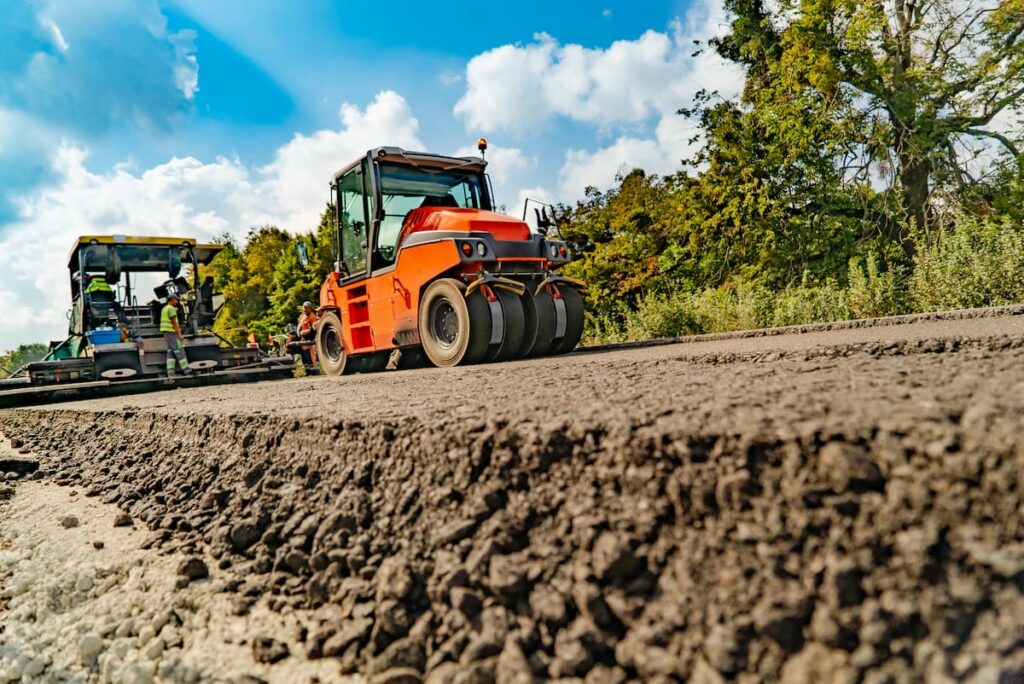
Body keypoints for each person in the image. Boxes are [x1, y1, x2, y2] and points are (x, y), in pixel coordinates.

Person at [160, 294, 191, 377]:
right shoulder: (171, 309)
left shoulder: (165, 308)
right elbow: (174, 323)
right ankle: (186, 370)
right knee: (179, 349)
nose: (177, 302)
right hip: (171, 332)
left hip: (166, 332)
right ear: (172, 299)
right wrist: (180, 334)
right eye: (176, 300)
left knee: (171, 352)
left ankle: (170, 372)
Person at [296, 301, 319, 370]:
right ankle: (307, 370)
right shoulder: (302, 315)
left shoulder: (312, 317)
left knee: (310, 356)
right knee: (304, 355)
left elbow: (314, 328)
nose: (305, 309)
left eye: (307, 308)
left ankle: (313, 370)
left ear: (310, 308)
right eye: (304, 307)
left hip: (309, 338)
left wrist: (304, 332)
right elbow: (300, 324)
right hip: (303, 338)